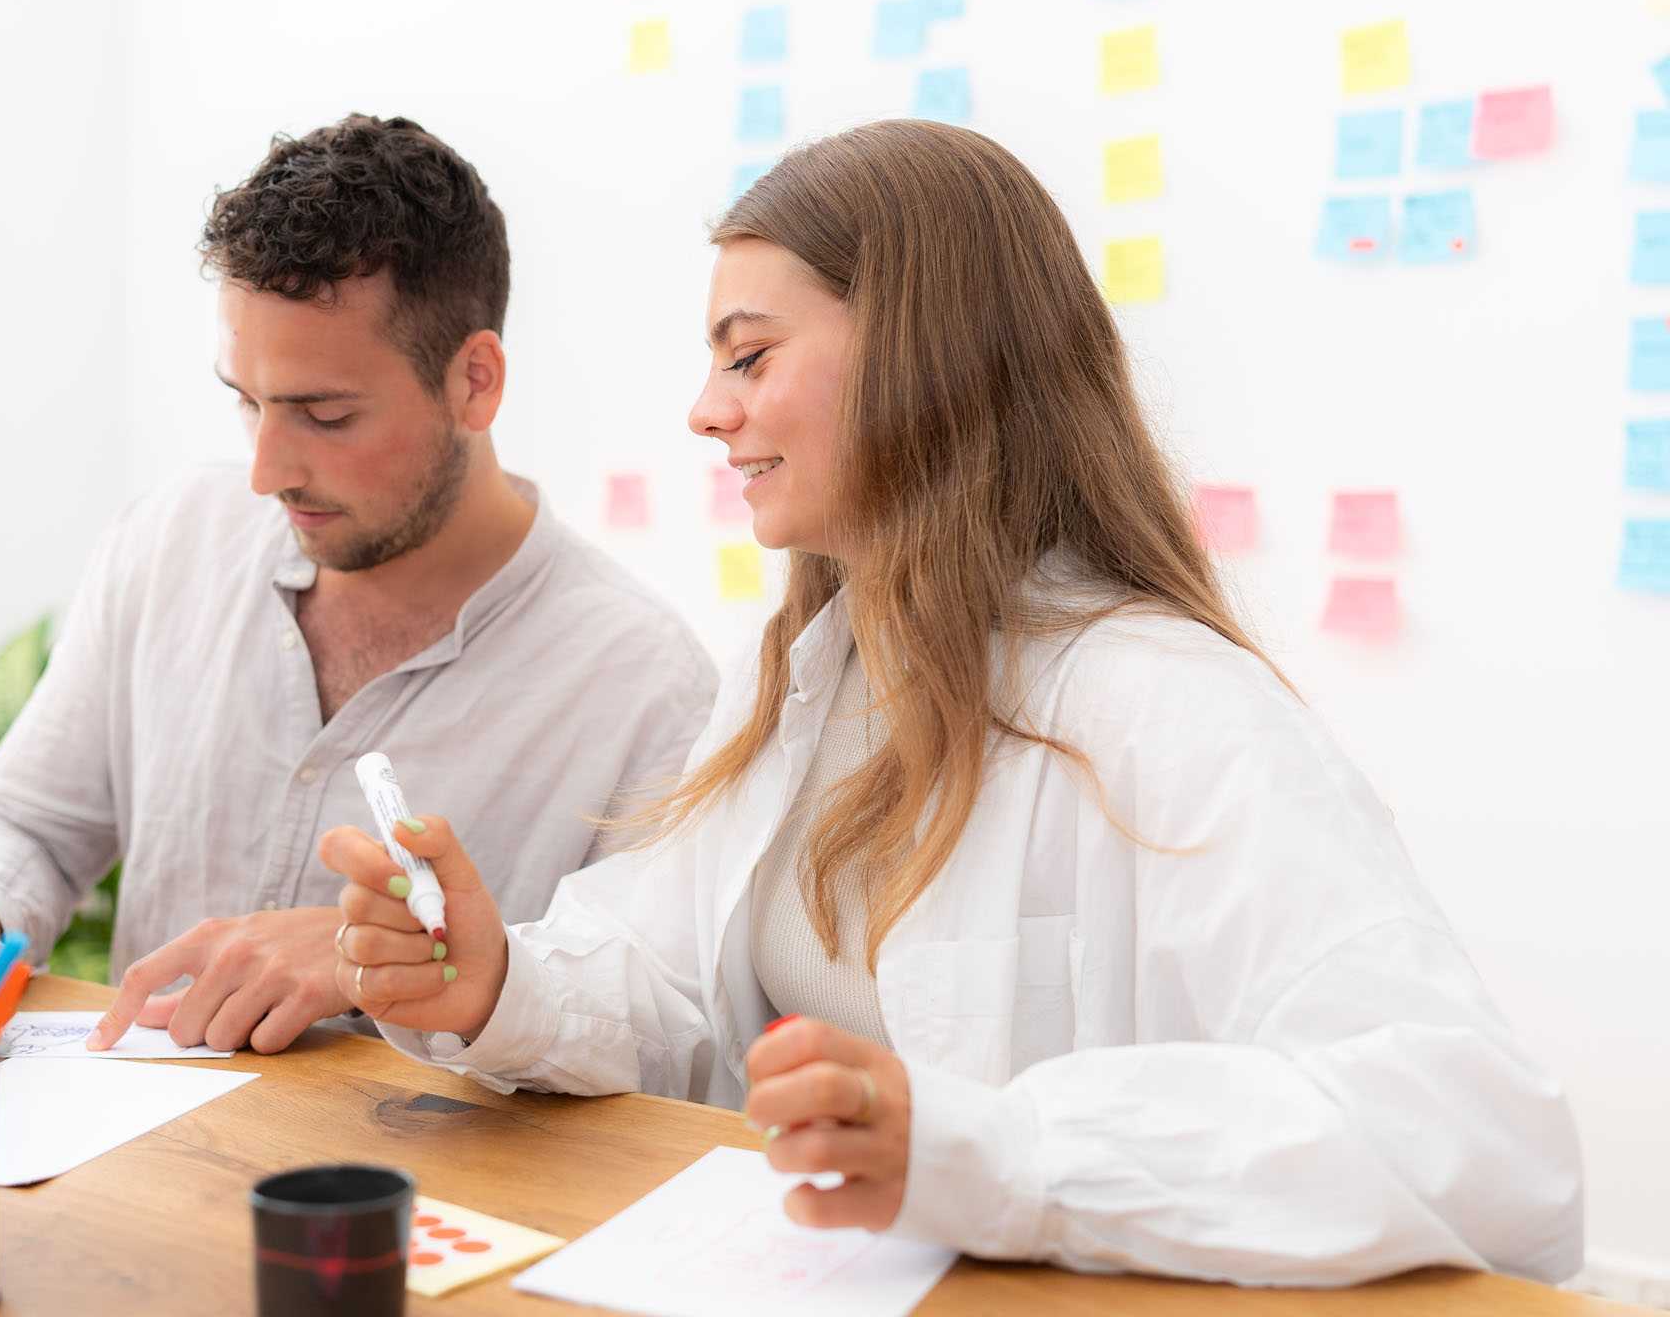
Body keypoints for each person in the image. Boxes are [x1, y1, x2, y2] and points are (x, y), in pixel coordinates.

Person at [318, 119, 1583, 1285]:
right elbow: (668, 985)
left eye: (750, 356)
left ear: (928, 353)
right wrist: (495, 984)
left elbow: (1482, 1140)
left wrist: (998, 1150)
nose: (708, 412)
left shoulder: (1167, 705)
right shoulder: (810, 673)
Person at [0, 114, 715, 1054]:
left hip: (435, 1188)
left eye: (324, 414)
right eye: (247, 401)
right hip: (140, 1164)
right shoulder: (173, 539)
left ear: (475, 381)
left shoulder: (643, 680)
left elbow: (663, 1032)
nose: (267, 471)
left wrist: (435, 972)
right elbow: (27, 821)